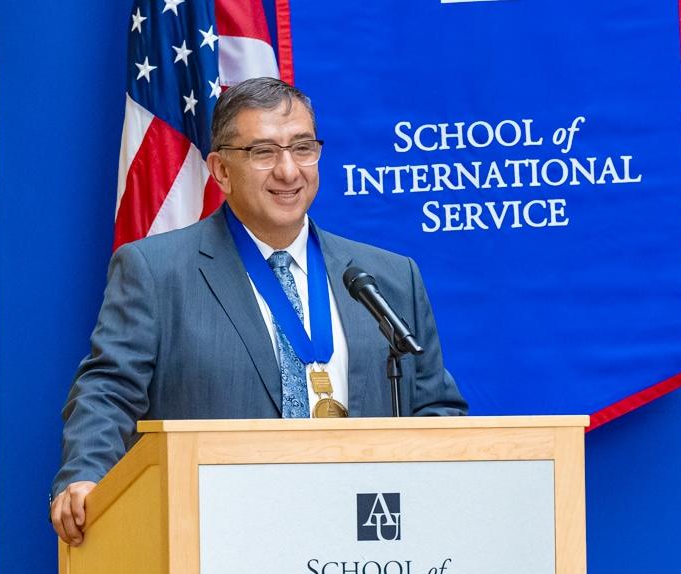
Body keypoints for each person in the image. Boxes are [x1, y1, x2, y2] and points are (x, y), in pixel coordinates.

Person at [50, 78, 468, 545]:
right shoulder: (155, 271)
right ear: (221, 171)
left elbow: (436, 408)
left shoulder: (386, 276)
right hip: (221, 539)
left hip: (364, 545)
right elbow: (109, 391)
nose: (289, 171)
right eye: (264, 152)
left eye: (303, 148)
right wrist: (85, 474)